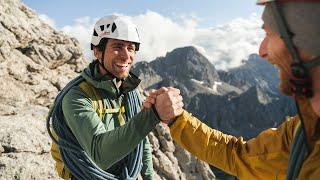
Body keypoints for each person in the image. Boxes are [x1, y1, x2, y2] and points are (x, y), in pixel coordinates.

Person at [143, 0, 320, 179]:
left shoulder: (304, 132)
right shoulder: (302, 131)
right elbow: (238, 155)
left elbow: (238, 157)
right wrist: (176, 119)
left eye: (270, 34)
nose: (261, 50)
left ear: (307, 39)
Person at [47, 15, 183, 180]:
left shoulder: (128, 91)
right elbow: (100, 154)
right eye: (118, 47)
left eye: (131, 48)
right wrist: (153, 114)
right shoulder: (76, 97)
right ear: (97, 52)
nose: (126, 56)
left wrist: (148, 177)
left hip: (120, 173)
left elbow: (141, 142)